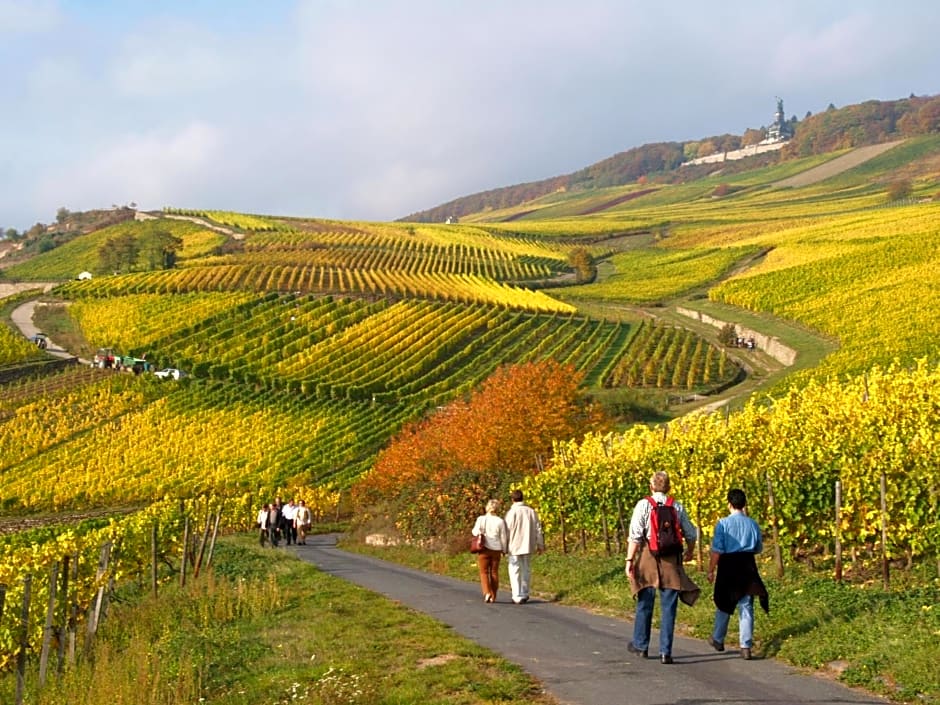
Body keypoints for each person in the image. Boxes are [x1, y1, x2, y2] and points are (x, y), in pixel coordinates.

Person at [625, 471, 700, 664]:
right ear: (669, 487)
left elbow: (634, 535)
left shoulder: (643, 505)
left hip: (648, 556)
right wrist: (690, 551)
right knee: (669, 606)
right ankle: (666, 651)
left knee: (645, 601)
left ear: (651, 486)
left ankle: (641, 645)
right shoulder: (676, 505)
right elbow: (691, 533)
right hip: (671, 560)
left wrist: (629, 560)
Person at [706, 488, 769, 661]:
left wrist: (711, 570)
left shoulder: (723, 524)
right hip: (747, 564)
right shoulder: (753, 524)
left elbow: (717, 550)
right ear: (744, 504)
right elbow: (758, 548)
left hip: (728, 565)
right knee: (746, 604)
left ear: (729, 504)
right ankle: (745, 646)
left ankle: (718, 638)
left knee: (724, 602)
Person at [504, 489, 544, 604]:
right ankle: (525, 592)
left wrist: (504, 546)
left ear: (512, 500)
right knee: (526, 569)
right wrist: (540, 544)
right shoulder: (531, 511)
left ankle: (516, 595)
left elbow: (506, 531)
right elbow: (538, 529)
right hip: (527, 544)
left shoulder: (511, 513)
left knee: (514, 569)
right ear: (523, 498)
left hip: (514, 545)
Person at [472, 499, 509, 603]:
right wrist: (504, 550)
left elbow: (474, 532)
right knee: (494, 572)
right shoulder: (500, 521)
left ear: (487, 507)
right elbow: (503, 537)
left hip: (484, 549)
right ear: (497, 509)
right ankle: (493, 595)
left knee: (483, 572)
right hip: (496, 550)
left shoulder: (481, 519)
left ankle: (487, 592)